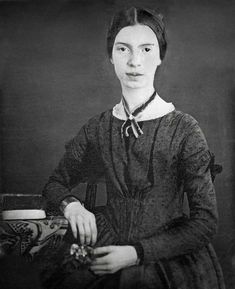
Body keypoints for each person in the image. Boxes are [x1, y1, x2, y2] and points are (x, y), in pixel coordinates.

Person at [42, 7, 225, 289]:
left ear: (160, 57)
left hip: (166, 261)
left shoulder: (185, 129)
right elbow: (55, 184)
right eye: (123, 49)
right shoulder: (98, 127)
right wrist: (73, 206)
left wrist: (135, 254)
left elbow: (205, 223)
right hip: (104, 248)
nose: (134, 61)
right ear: (111, 57)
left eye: (147, 49)